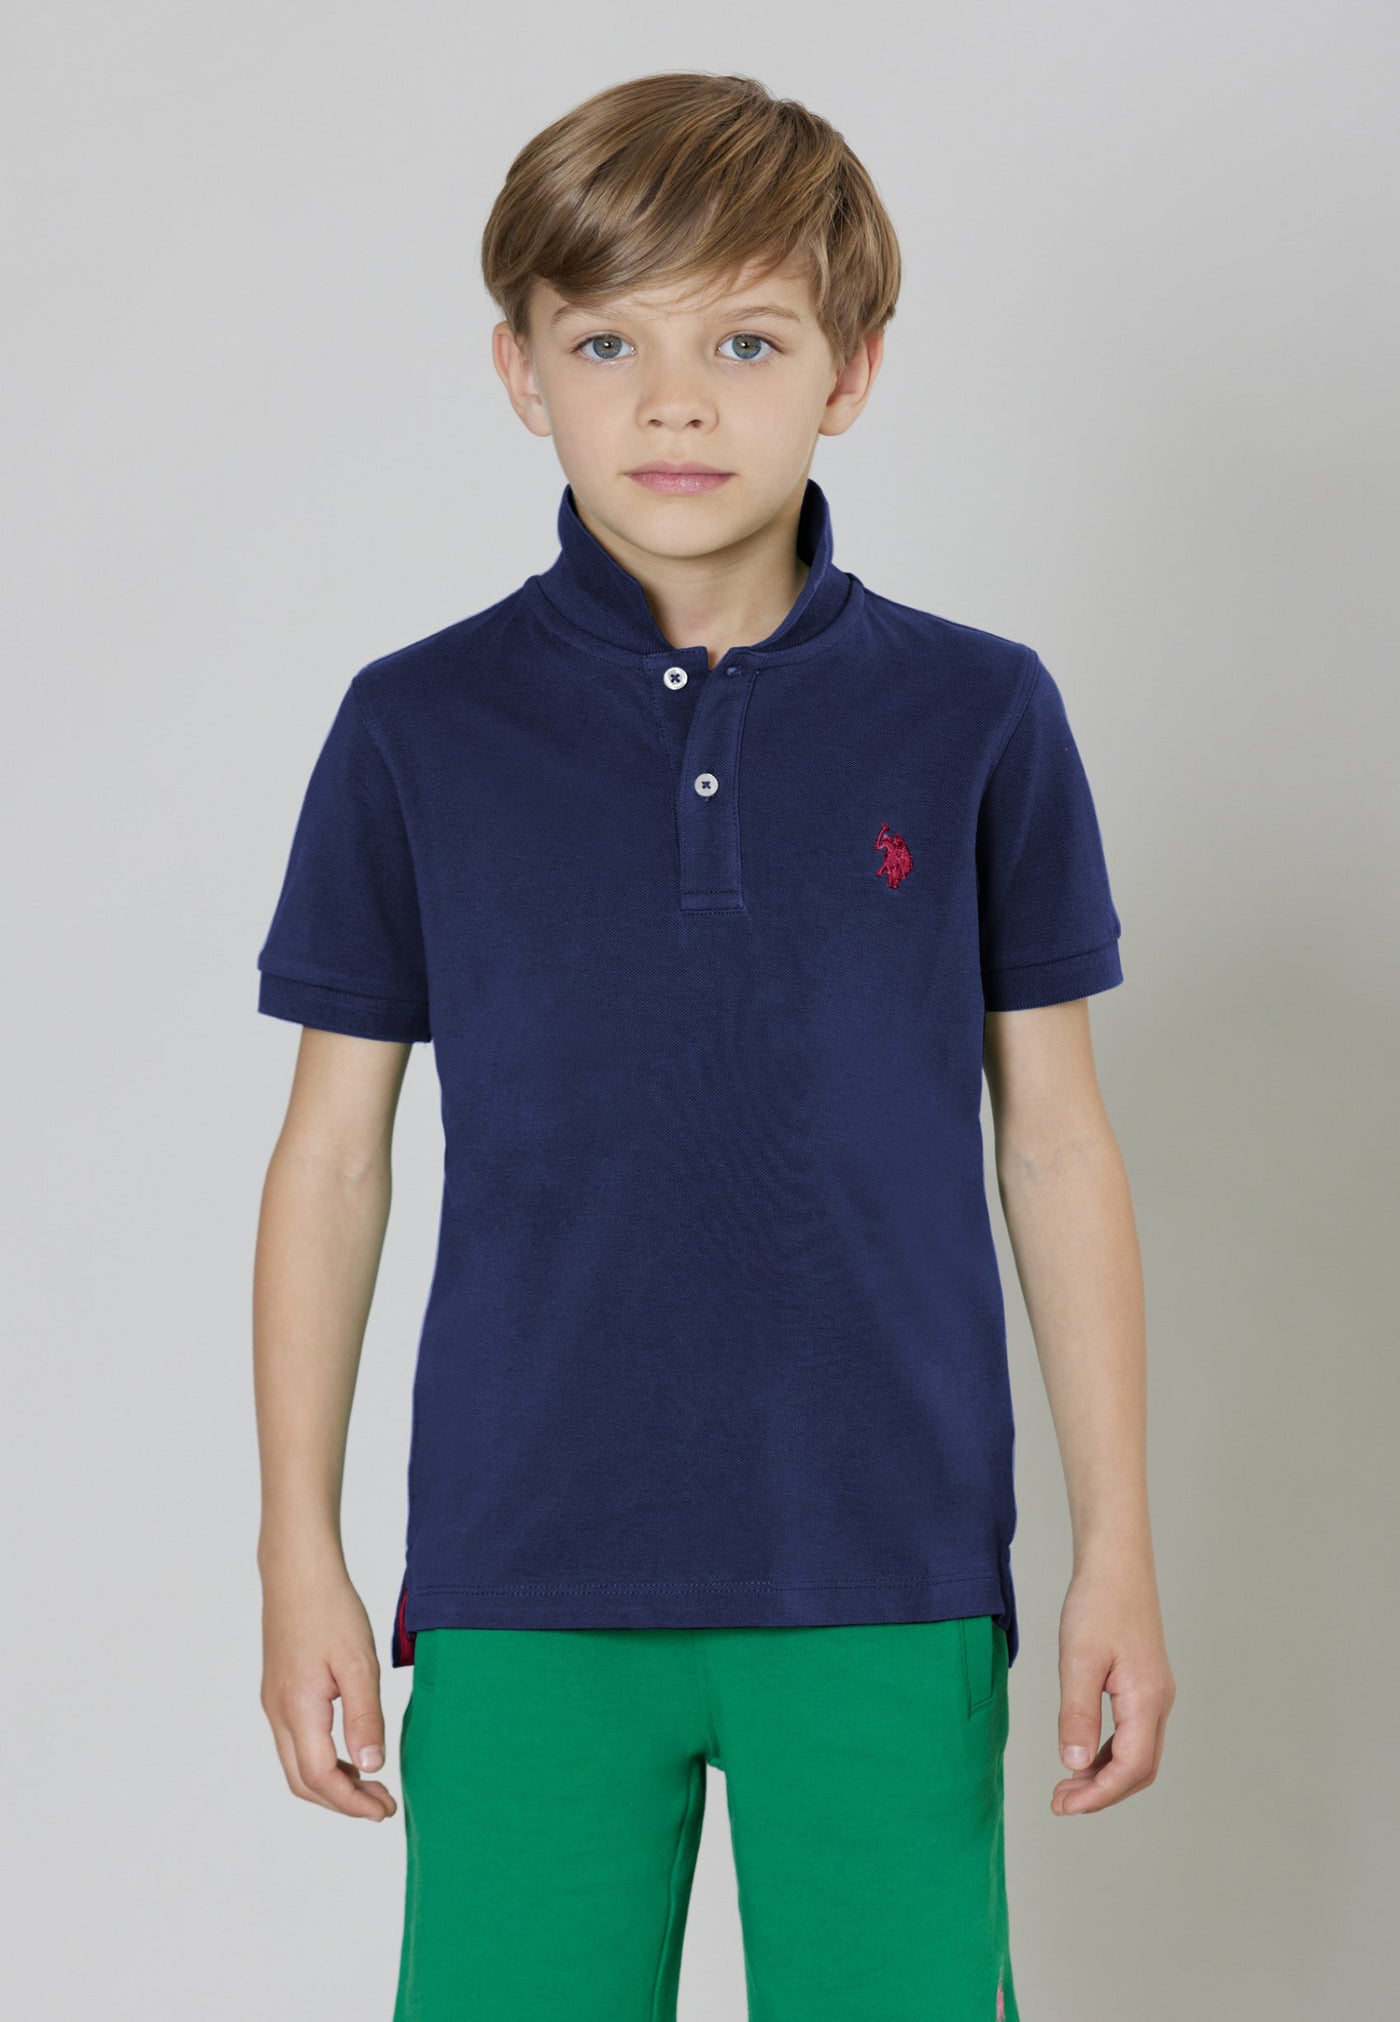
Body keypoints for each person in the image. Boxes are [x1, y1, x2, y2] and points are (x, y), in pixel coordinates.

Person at [252, 69, 1175, 2022]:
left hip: (886, 1568)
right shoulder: (416, 729)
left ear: (851, 370)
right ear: (520, 370)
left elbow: (1056, 1145)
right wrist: (297, 1550)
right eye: (610, 342)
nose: (674, 403)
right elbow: (331, 1157)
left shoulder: (979, 717)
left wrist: (1117, 1549)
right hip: (522, 1573)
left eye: (744, 342)